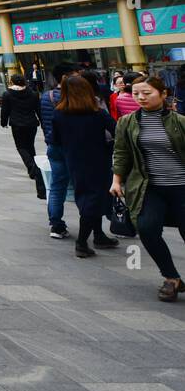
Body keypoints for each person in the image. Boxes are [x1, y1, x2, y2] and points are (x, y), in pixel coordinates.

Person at [112, 76, 185, 300]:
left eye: (147, 93)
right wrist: (116, 180)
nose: (141, 98)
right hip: (149, 187)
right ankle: (171, 278)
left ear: (163, 94)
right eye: (136, 94)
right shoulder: (127, 122)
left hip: (181, 186)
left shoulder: (180, 122)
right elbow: (121, 152)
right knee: (147, 228)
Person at [50, 74, 121, 258]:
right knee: (94, 200)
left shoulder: (59, 113)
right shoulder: (96, 112)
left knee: (87, 198)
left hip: (74, 161)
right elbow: (117, 131)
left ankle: (98, 236)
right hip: (98, 160)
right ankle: (82, 243)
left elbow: (55, 140)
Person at [39, 64, 74, 240]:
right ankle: (94, 227)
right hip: (74, 147)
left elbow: (45, 122)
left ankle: (55, 224)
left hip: (54, 145)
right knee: (83, 186)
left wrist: (49, 139)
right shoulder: (77, 97)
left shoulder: (47, 96)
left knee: (56, 186)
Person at [0, 73, 46, 200]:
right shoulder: (33, 93)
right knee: (30, 145)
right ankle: (34, 169)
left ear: (12, 81)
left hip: (17, 124)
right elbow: (38, 109)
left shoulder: (8, 94)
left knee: (21, 146)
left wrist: (3, 122)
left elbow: (5, 110)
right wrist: (42, 122)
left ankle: (33, 168)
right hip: (31, 123)